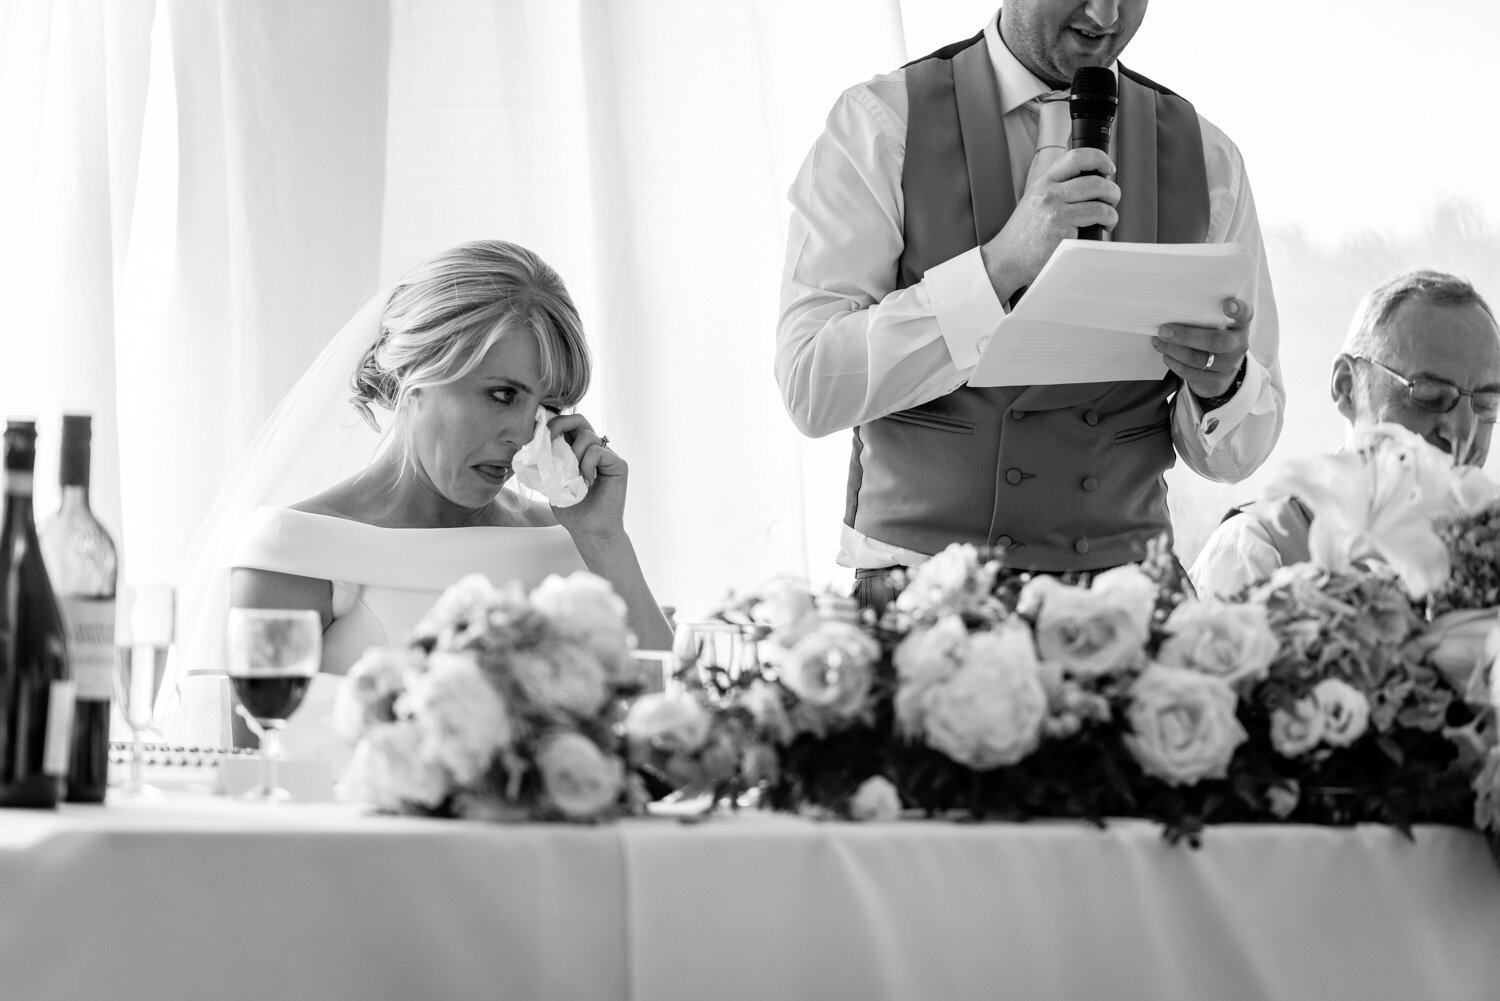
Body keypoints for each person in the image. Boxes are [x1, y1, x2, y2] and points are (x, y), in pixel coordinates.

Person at [776, 0, 1282, 608]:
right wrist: (998, 267)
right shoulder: (880, 123)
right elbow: (811, 385)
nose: (1105, 12)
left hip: (1130, 608)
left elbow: (1240, 453)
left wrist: (1223, 384)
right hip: (924, 609)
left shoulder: (1208, 157)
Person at [163, 240, 672, 750]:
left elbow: (671, 736)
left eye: (549, 406)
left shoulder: (571, 545)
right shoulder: (297, 549)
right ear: (416, 375)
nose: (523, 434)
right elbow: (257, 775)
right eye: (502, 394)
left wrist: (604, 537)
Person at [1191, 269, 1500, 598]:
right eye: (1428, 395)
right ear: (1347, 387)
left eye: (1486, 404)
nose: (1463, 433)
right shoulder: (1256, 550)